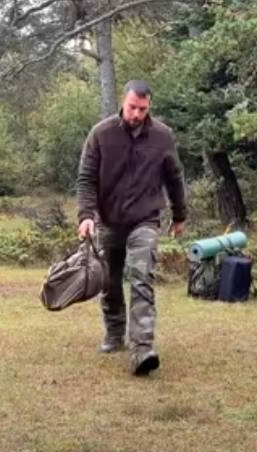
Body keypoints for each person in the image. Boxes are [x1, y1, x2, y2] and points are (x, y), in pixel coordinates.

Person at [76, 80, 187, 376]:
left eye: (142, 108)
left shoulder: (162, 136)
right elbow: (86, 178)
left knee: (141, 277)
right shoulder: (101, 134)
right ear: (123, 103)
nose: (136, 114)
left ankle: (142, 348)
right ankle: (114, 333)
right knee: (110, 281)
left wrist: (179, 215)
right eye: (132, 107)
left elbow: (174, 177)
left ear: (149, 106)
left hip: (145, 219)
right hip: (109, 220)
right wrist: (86, 215)